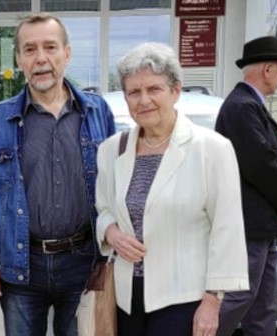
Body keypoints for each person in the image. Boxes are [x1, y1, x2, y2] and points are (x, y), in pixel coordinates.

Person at [0, 13, 115, 336]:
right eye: (30, 49)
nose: (41, 58)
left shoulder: (97, 112)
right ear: (18, 58)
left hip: (84, 262)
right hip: (21, 265)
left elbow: (116, 183)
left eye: (50, 47)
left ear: (67, 53)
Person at [95, 42, 249, 336]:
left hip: (184, 299)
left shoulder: (211, 148)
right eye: (134, 92)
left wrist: (212, 302)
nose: (144, 100)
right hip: (127, 299)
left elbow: (227, 229)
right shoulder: (112, 150)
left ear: (175, 90)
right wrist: (112, 233)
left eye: (154, 89)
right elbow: (102, 210)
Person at [215, 36, 277, 336]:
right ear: (268, 69)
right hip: (249, 226)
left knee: (264, 305)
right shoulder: (242, 107)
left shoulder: (248, 106)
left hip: (262, 226)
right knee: (239, 296)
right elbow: (263, 165)